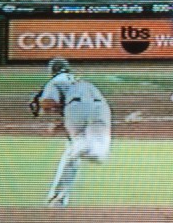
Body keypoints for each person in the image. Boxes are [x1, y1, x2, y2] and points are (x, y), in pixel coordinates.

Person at [29, 58, 112, 208]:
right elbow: (83, 107)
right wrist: (64, 120)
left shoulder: (55, 81)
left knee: (73, 152)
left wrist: (45, 104)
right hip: (102, 108)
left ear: (53, 71)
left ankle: (58, 200)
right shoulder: (81, 82)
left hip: (75, 107)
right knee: (99, 155)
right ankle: (83, 146)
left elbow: (48, 102)